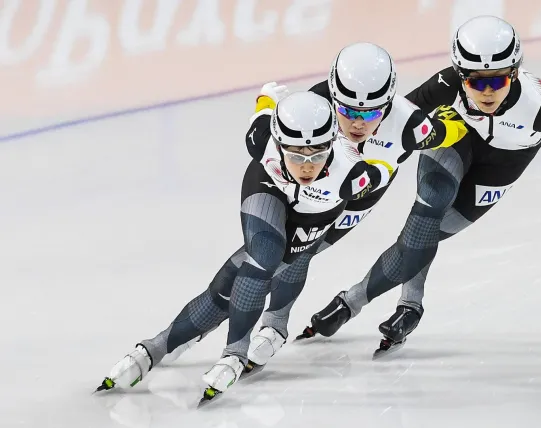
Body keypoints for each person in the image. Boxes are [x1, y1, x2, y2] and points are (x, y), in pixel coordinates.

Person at [299, 15, 541, 357]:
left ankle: (351, 300)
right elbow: (397, 119)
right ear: (460, 75)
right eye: (475, 82)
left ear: (515, 73)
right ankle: (410, 305)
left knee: (427, 235)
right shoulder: (446, 84)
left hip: (503, 165)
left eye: (497, 81)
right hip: (455, 137)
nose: (486, 92)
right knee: (429, 210)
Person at [97, 91, 392, 403]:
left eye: (316, 155)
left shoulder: (354, 175)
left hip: (315, 211)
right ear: (279, 144)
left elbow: (390, 169)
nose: (307, 167)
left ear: (332, 144)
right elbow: (265, 103)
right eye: (296, 154)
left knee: (237, 282)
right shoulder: (261, 139)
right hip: (266, 187)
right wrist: (271, 95)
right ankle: (234, 354)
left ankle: (160, 344)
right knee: (263, 256)